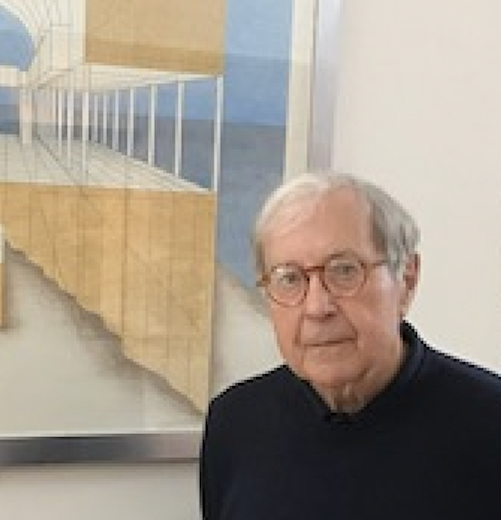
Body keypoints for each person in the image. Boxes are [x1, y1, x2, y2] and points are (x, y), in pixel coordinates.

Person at [199, 170, 501, 519]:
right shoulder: (235, 423)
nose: (316, 307)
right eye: (289, 279)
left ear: (406, 280)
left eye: (344, 271)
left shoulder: (489, 425)